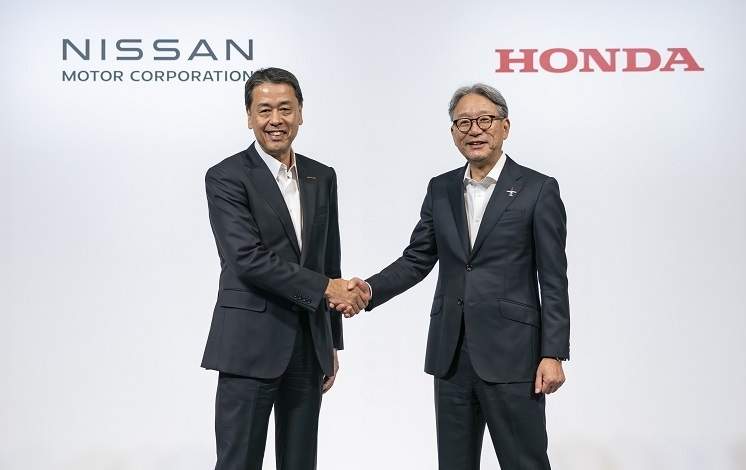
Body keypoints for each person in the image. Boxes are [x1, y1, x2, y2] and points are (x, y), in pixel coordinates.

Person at [338, 83, 570, 469]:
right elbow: (417, 259)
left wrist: (553, 352)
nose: (474, 130)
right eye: (463, 122)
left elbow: (554, 278)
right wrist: (369, 290)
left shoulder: (537, 189)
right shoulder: (441, 188)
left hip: (515, 356)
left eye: (484, 120)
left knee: (524, 463)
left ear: (505, 126)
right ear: (452, 132)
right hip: (451, 356)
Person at [201, 67, 368, 470]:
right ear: (249, 116)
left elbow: (329, 260)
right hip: (248, 345)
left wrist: (330, 343)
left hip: (307, 347)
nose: (275, 120)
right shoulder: (226, 177)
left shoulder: (321, 176)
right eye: (264, 110)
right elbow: (248, 258)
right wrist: (326, 288)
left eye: (285, 109)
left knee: (300, 462)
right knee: (238, 462)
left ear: (301, 113)